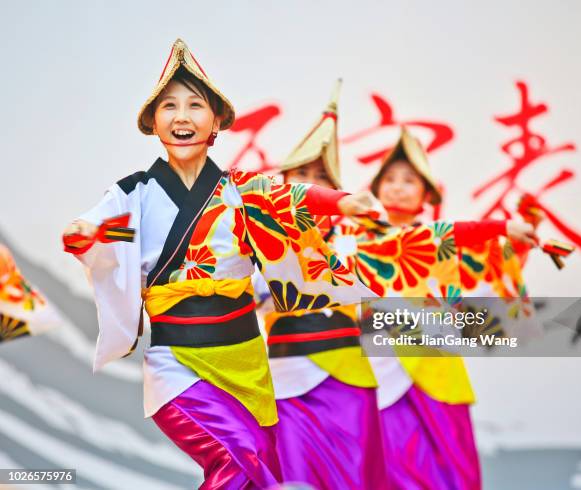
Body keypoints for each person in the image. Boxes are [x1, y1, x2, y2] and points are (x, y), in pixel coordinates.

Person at [62, 39, 377, 489]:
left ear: (215, 123)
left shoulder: (243, 192)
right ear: (154, 122)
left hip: (245, 362)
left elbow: (290, 198)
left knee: (257, 472)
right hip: (178, 365)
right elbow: (104, 231)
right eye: (169, 106)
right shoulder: (133, 196)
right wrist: (84, 232)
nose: (182, 116)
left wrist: (342, 202)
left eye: (195, 105)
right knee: (238, 455)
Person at [329, 127, 537, 489]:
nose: (397, 187)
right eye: (389, 179)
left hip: (435, 364)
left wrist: (518, 238)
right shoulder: (350, 240)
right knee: (388, 465)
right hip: (377, 366)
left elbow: (493, 271)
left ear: (426, 193)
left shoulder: (446, 241)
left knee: (451, 468)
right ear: (376, 189)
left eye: (408, 180)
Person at [256, 80, 388, 489]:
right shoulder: (258, 243)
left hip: (348, 383)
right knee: (294, 479)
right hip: (286, 379)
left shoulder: (358, 246)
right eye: (302, 176)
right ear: (283, 185)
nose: (311, 186)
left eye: (321, 178)